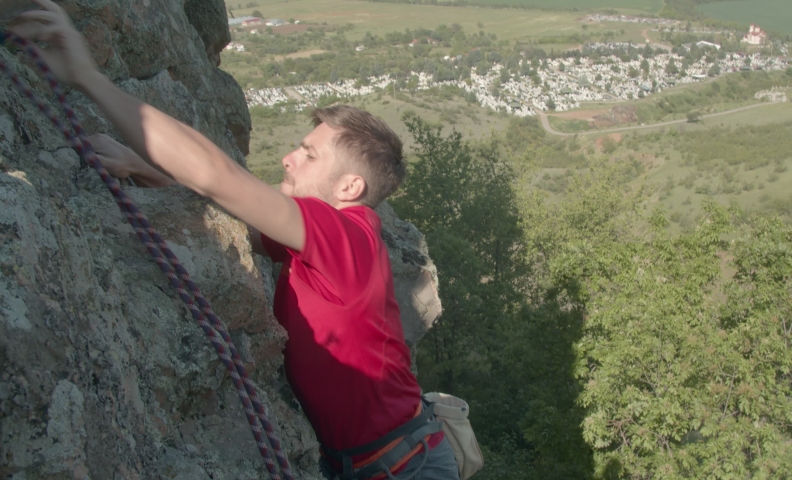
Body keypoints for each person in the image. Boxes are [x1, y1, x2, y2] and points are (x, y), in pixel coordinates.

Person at [11, 1, 459, 479]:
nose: (288, 158)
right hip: (373, 461)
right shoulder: (322, 244)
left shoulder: (347, 238)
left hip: (404, 468)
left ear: (350, 188)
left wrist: (90, 78)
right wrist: (142, 170)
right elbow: (237, 222)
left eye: (308, 154)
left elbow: (217, 177)